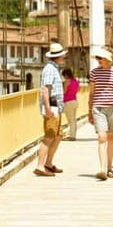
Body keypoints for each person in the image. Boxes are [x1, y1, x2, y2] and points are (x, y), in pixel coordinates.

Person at [88, 47, 113, 180]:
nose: (99, 60)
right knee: (101, 137)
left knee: (110, 138)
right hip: (98, 108)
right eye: (98, 58)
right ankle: (103, 169)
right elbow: (92, 92)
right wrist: (89, 110)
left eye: (101, 58)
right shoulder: (94, 73)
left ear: (107, 60)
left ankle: (109, 168)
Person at [34, 42, 68, 177]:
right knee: (49, 136)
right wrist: (47, 109)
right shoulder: (49, 69)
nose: (64, 58)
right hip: (52, 107)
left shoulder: (54, 68)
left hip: (56, 107)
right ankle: (40, 166)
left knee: (58, 135)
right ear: (59, 57)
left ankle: (48, 163)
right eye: (63, 56)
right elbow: (45, 90)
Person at [61, 68, 79, 141]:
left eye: (64, 76)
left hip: (68, 102)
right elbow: (78, 90)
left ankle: (72, 136)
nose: (64, 77)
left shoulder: (67, 81)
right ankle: (73, 135)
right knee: (73, 120)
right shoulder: (76, 81)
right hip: (75, 101)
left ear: (66, 75)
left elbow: (64, 92)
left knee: (70, 120)